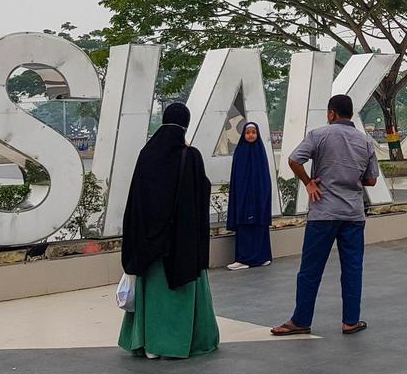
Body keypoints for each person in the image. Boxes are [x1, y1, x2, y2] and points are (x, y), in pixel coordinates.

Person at [271, 94, 380, 337]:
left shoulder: (319, 135)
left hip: (323, 212)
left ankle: (301, 320)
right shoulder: (365, 142)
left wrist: (310, 183)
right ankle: (350, 320)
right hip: (353, 214)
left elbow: (294, 160)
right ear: (350, 113)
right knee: (352, 268)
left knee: (311, 269)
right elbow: (371, 180)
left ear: (331, 113)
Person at [118, 102, 220, 359]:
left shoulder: (147, 153)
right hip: (181, 244)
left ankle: (147, 343)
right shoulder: (190, 156)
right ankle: (176, 343)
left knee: (152, 293)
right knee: (179, 293)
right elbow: (201, 193)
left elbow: (137, 200)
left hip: (150, 245)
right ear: (185, 124)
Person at [226, 121, 274, 270]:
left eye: (254, 132)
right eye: (248, 132)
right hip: (244, 197)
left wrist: (262, 195)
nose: (251, 135)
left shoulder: (261, 151)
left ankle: (262, 257)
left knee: (260, 225)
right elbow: (237, 178)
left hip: (259, 196)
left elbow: (264, 176)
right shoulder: (240, 152)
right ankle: (243, 259)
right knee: (245, 226)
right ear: (243, 135)